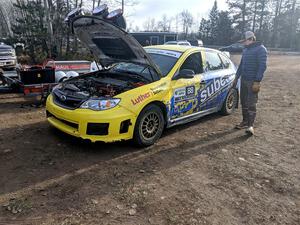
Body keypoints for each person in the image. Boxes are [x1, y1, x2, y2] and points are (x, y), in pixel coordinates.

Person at [234, 31, 267, 135]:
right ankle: (244, 121)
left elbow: (262, 66)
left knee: (251, 103)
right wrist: (236, 77)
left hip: (253, 81)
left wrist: (257, 81)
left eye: (245, 41)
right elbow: (241, 64)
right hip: (244, 80)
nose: (243, 43)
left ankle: (250, 126)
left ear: (251, 39)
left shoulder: (261, 49)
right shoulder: (246, 49)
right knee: (243, 101)